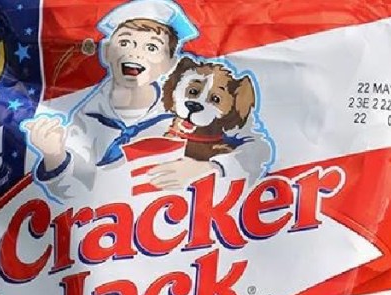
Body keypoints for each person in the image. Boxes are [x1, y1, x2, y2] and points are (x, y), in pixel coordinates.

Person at [22, 0, 272, 201]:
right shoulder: (86, 119)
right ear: (107, 52)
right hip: (119, 239)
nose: (134, 52)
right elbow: (75, 194)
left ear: (171, 60)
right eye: (125, 42)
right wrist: (54, 155)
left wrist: (209, 168)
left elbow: (258, 150)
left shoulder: (188, 101)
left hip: (197, 226)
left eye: (151, 47)